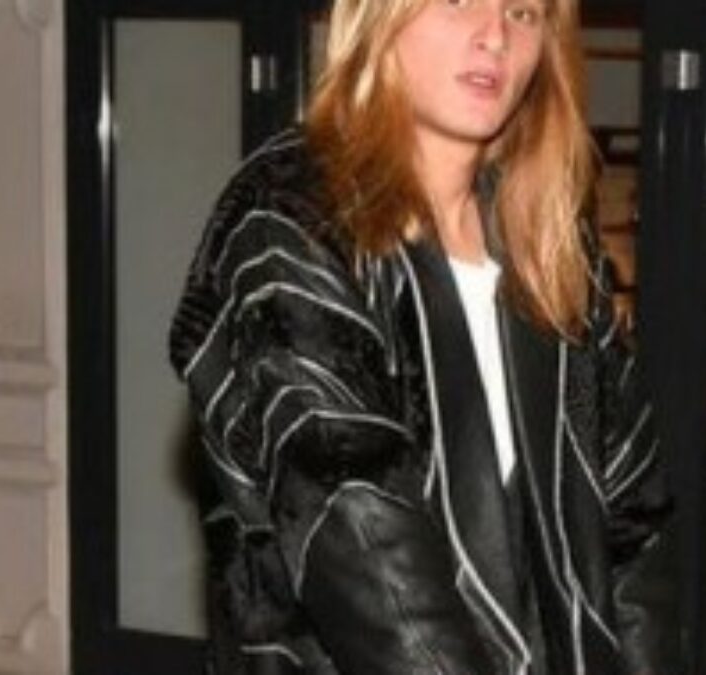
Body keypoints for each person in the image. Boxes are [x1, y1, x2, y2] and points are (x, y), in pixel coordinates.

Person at [168, 0, 676, 672]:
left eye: (524, 12)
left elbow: (633, 523)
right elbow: (362, 534)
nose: (494, 34)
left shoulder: (548, 236)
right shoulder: (290, 218)